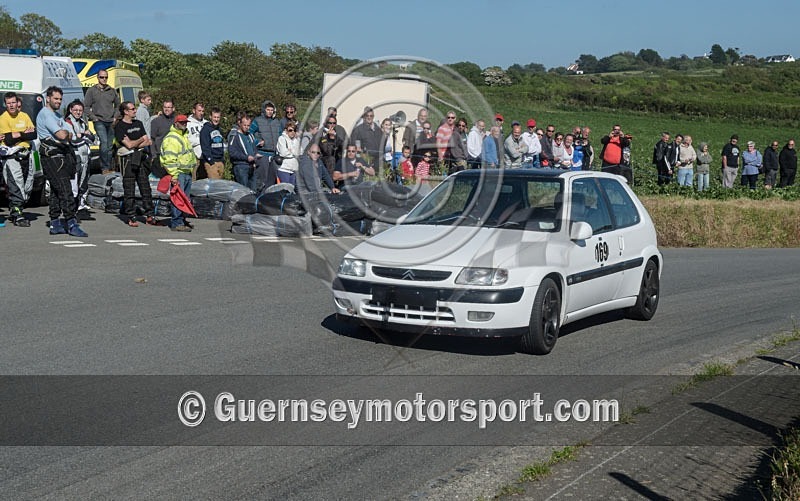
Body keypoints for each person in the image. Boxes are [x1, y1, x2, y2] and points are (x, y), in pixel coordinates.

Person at [36, 86, 87, 237]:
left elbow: (71, 133)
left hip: (62, 155)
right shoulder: (46, 115)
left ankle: (55, 223)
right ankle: (71, 222)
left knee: (56, 192)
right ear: (48, 98)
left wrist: (68, 134)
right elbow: (62, 135)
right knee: (65, 190)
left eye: (60, 99)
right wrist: (67, 134)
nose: (58, 101)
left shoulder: (57, 115)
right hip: (51, 157)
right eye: (56, 99)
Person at [114, 101, 155, 227]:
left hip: (141, 158)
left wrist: (136, 142)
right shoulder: (120, 126)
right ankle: (131, 216)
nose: (135, 111)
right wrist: (140, 140)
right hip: (127, 159)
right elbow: (129, 145)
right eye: (132, 109)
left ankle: (150, 214)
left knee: (145, 187)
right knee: (129, 188)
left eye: (134, 109)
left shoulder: (138, 123)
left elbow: (148, 141)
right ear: (125, 111)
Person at [0, 91, 37, 226]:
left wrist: (17, 135)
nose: (11, 105)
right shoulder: (3, 118)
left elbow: (33, 134)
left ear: (18, 103)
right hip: (11, 157)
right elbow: (8, 140)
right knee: (15, 185)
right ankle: (17, 214)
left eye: (13, 103)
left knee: (27, 186)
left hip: (26, 154)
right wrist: (23, 134)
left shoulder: (24, 115)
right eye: (8, 103)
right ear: (5, 105)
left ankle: (17, 209)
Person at [160, 114, 195, 231]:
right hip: (179, 173)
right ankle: (176, 222)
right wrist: (174, 175)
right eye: (182, 122)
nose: (184, 124)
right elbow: (169, 159)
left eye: (185, 122)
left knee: (184, 199)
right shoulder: (172, 138)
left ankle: (182, 220)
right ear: (176, 123)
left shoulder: (183, 136)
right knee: (178, 199)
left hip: (186, 172)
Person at [83, 69, 119, 174]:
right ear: (97, 77)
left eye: (106, 77)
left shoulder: (112, 91)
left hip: (111, 121)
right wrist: (93, 117)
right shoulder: (92, 91)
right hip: (99, 121)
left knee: (109, 146)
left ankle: (108, 166)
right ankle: (104, 168)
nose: (104, 79)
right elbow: (85, 106)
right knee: (103, 143)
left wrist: (115, 117)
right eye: (102, 77)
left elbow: (118, 105)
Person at [64, 100, 95, 218]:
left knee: (84, 182)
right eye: (76, 110)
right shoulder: (68, 122)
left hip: (85, 156)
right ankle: (72, 209)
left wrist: (84, 135)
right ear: (71, 110)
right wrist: (84, 135)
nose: (78, 112)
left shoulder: (82, 122)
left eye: (80, 110)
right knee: (74, 184)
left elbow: (92, 137)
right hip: (74, 155)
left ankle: (81, 206)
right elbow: (73, 139)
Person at [228, 111, 260, 190]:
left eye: (248, 125)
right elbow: (232, 152)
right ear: (240, 124)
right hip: (241, 166)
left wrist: (255, 157)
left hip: (251, 166)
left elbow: (254, 148)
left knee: (253, 191)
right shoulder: (234, 135)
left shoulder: (250, 135)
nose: (246, 127)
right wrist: (246, 157)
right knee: (243, 190)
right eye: (245, 125)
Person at [149, 99, 175, 177]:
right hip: (160, 156)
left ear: (173, 108)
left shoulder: (176, 121)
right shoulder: (156, 121)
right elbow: (151, 139)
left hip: (174, 156)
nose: (167, 109)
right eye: (165, 107)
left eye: (169, 107)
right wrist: (153, 155)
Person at [199, 107, 225, 180]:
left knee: (219, 185)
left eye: (218, 117)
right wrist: (211, 161)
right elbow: (205, 147)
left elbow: (222, 144)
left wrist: (222, 160)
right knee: (214, 185)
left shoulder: (219, 129)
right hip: (211, 162)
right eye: (214, 117)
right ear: (210, 117)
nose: (216, 119)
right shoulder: (205, 130)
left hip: (220, 161)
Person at [186, 102, 207, 180]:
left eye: (202, 111)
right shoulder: (188, 123)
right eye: (199, 111)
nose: (201, 113)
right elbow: (187, 140)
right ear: (194, 110)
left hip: (205, 157)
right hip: (194, 157)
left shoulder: (206, 123)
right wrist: (200, 141)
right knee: (193, 181)